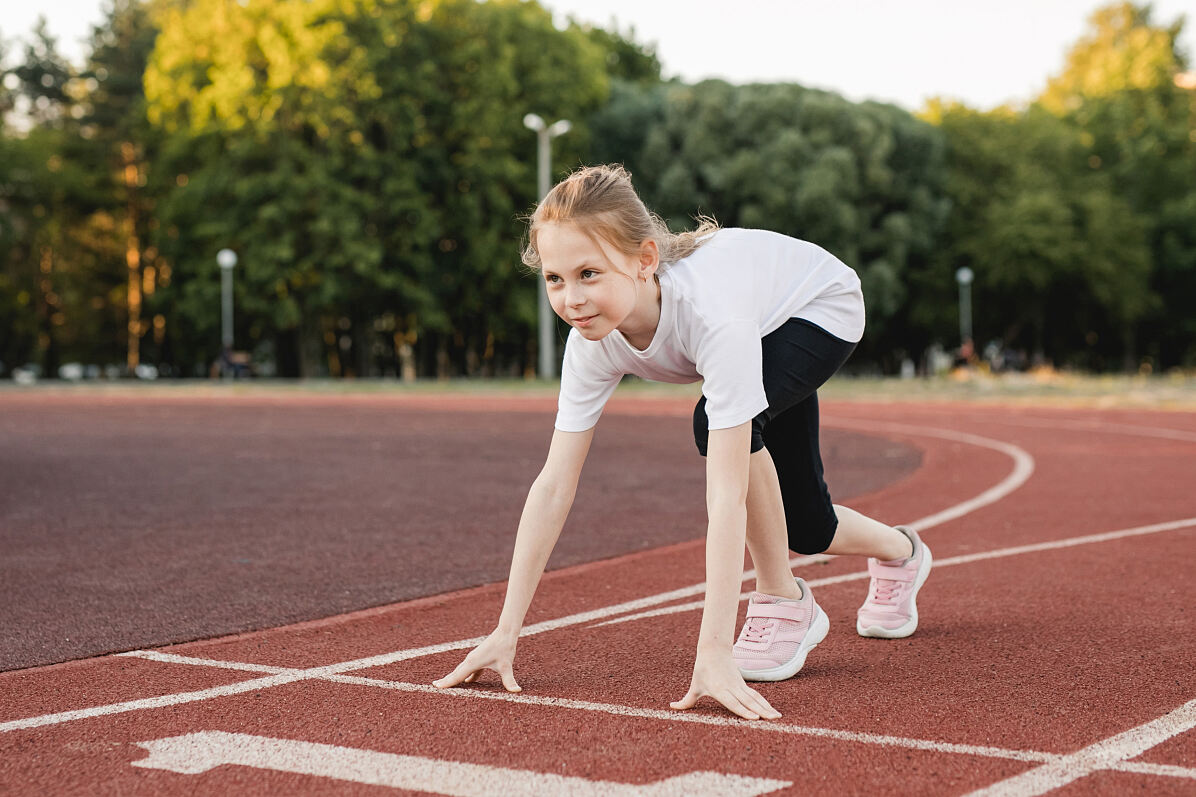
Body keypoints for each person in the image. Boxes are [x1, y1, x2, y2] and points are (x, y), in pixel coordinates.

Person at [434, 165, 932, 720]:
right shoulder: (592, 341)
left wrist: (713, 651)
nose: (571, 299)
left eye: (589, 273)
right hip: (758, 314)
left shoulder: (711, 315)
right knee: (807, 528)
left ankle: (783, 599)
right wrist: (506, 631)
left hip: (818, 308)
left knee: (714, 427)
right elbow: (553, 485)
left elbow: (725, 495)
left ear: (644, 260)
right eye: (555, 279)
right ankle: (902, 552)